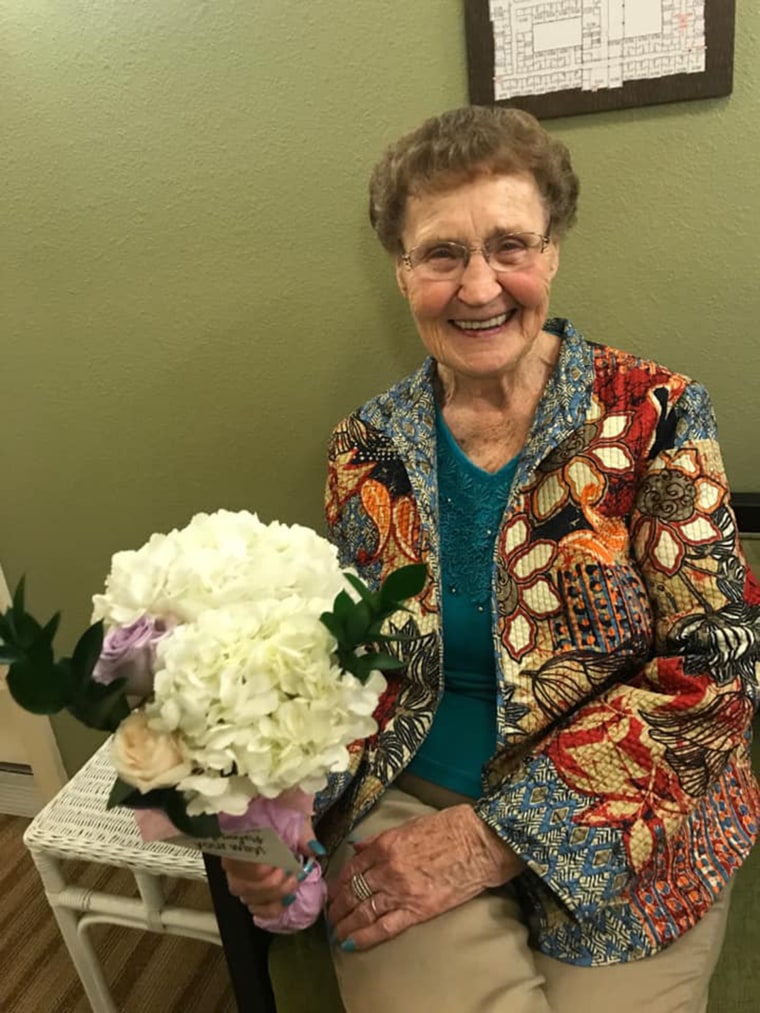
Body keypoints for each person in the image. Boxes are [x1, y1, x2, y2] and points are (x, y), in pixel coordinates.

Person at [224, 105, 760, 1012]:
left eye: (510, 243)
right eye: (442, 253)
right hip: (410, 795)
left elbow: (719, 667)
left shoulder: (656, 414)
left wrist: (500, 834)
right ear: (401, 272)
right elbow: (345, 666)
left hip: (629, 807)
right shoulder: (368, 447)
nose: (479, 287)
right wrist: (270, 824)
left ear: (552, 252)